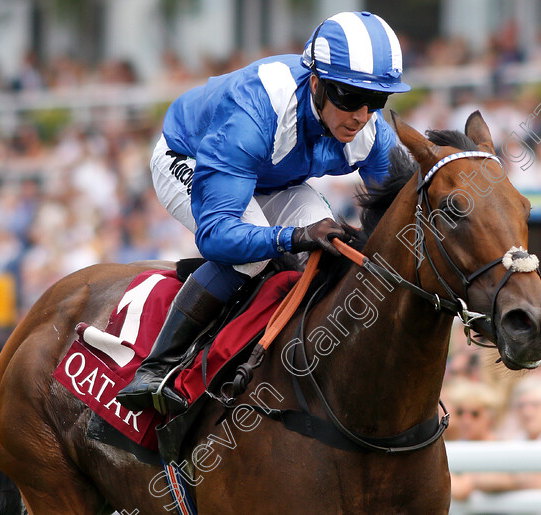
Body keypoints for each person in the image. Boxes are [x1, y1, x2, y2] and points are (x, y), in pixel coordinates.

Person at [117, 11, 410, 413]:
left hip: (271, 175)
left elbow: (402, 215)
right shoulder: (254, 112)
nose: (361, 115)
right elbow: (218, 234)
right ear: (316, 84)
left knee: (329, 252)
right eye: (349, 97)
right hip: (190, 155)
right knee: (256, 256)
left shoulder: (371, 131)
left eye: (375, 100)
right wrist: (290, 236)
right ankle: (157, 367)